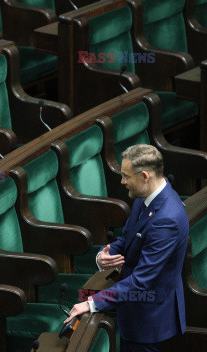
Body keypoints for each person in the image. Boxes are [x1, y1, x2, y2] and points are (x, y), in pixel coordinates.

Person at [64, 144, 189, 352]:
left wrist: (91, 302)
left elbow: (142, 280)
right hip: (134, 309)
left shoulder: (167, 219)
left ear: (145, 176)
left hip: (149, 319)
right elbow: (127, 238)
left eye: (126, 176)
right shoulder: (146, 197)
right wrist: (103, 256)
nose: (122, 181)